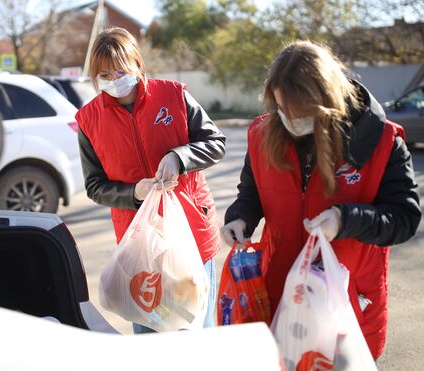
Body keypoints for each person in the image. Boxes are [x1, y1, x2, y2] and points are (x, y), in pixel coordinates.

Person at [221, 40, 420, 359]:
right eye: (280, 108)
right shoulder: (263, 133)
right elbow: (252, 191)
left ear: (326, 101)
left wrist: (346, 220)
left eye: (300, 113)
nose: (289, 119)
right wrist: (239, 217)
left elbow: (405, 218)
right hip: (283, 296)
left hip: (346, 304)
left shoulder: (382, 143)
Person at [75, 27, 226, 333]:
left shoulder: (174, 95)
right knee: (150, 335)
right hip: (139, 244)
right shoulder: (89, 120)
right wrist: (134, 193)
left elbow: (215, 142)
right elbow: (94, 186)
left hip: (191, 234)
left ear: (137, 65)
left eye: (120, 70)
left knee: (196, 331)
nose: (115, 79)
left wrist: (179, 157)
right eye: (104, 73)